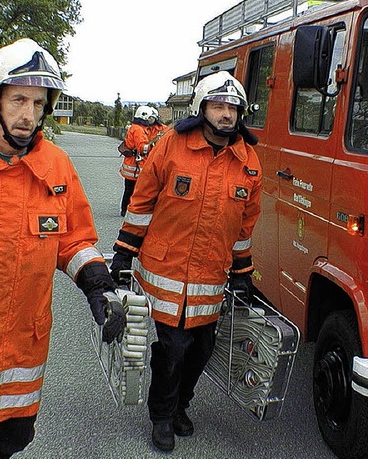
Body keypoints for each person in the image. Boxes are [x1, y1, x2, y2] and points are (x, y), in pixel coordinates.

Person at [0, 38, 126, 459]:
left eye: (38, 102)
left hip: (21, 351)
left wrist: (98, 289)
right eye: (18, 100)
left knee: (6, 443)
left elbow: (76, 240)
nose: (29, 115)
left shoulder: (57, 168)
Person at [110, 71, 262, 453]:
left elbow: (244, 225)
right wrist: (124, 251)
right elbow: (142, 201)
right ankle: (161, 415)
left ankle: (182, 405)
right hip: (165, 271)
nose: (226, 114)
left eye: (232, 108)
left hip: (210, 278)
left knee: (200, 350)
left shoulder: (248, 162)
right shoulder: (172, 145)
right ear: (200, 109)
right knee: (172, 349)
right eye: (218, 106)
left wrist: (243, 272)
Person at [119, 105, 153, 217]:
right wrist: (153, 146)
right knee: (132, 190)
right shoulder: (138, 130)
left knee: (128, 189)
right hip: (135, 165)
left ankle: (124, 209)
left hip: (130, 163)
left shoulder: (135, 127)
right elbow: (142, 148)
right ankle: (126, 210)